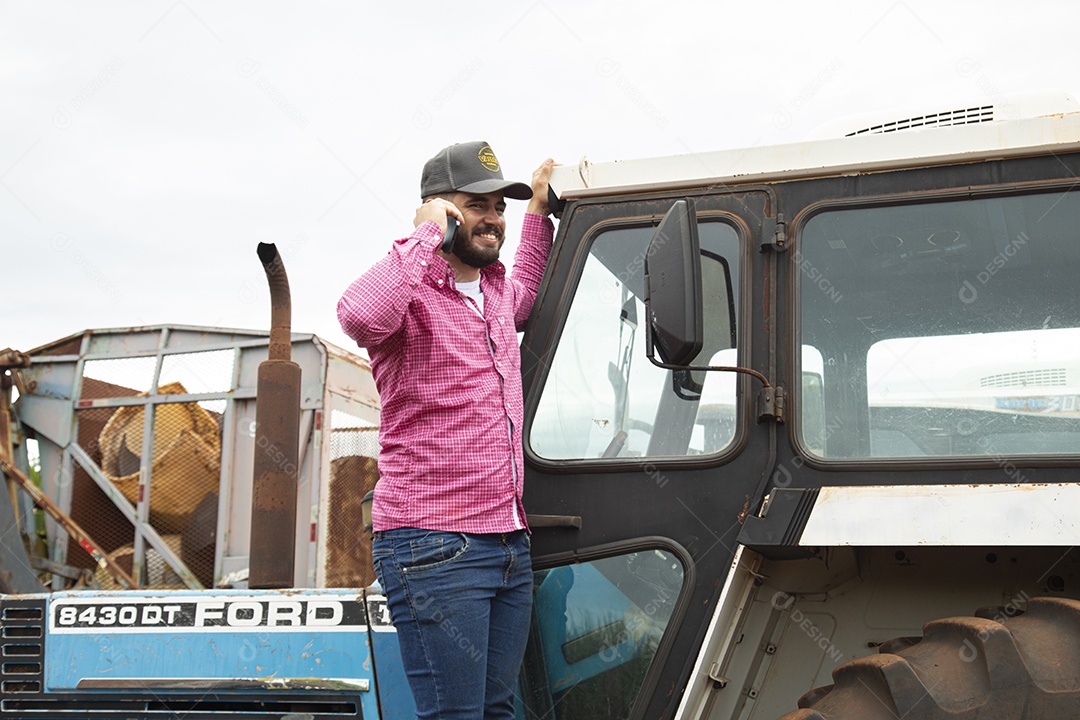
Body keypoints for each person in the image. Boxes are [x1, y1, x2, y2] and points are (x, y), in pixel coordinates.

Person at [337, 141, 555, 719]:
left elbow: (529, 294)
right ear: (443, 209)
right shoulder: (408, 296)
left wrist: (535, 212)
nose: (492, 219)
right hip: (436, 542)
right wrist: (424, 234)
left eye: (498, 207)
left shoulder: (494, 293)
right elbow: (359, 315)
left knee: (497, 711)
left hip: (508, 542)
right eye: (476, 205)